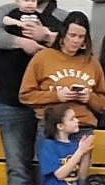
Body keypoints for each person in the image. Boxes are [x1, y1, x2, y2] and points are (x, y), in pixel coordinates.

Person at [0, 0, 64, 185]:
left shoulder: (61, 16)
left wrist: (46, 36)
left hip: (49, 104)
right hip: (11, 98)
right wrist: (22, 42)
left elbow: (77, 44)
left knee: (52, 161)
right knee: (17, 163)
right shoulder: (7, 10)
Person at [20, 11, 105, 140]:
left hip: (82, 127)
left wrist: (89, 98)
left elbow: (102, 103)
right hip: (52, 126)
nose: (76, 40)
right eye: (72, 35)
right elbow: (26, 95)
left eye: (81, 37)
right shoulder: (43, 57)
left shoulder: (92, 62)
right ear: (63, 34)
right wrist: (57, 96)